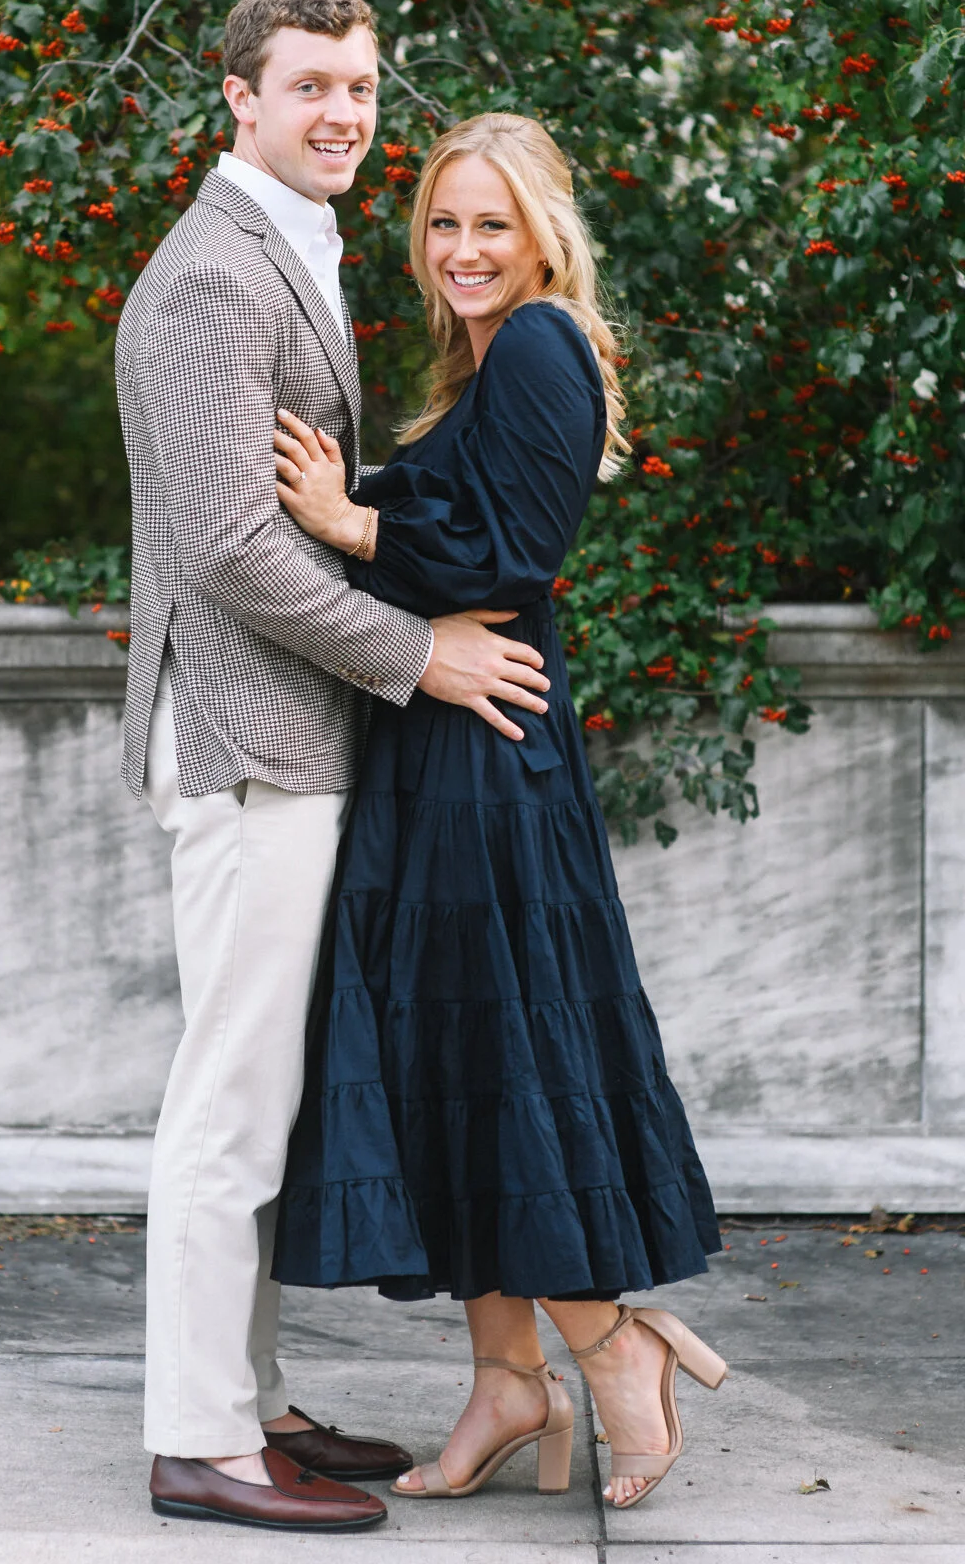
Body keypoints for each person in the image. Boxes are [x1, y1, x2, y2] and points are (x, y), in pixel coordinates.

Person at [113, 0, 554, 1534]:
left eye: (359, 87)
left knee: (269, 1089)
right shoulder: (208, 277)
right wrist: (422, 654)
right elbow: (232, 550)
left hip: (296, 735)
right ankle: (198, 1441)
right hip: (249, 738)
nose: (343, 113)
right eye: (309, 86)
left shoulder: (290, 246)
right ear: (239, 97)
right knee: (230, 1101)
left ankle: (250, 1400)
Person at [271, 111, 726, 1512]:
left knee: (497, 1052)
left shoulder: (537, 341)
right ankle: (505, 1381)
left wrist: (354, 523)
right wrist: (377, 508)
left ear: (542, 235)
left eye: (492, 224)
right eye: (445, 224)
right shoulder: (480, 363)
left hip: (489, 751)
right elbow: (469, 525)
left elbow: (517, 552)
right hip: (446, 736)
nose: (464, 249)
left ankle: (615, 1344)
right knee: (452, 1055)